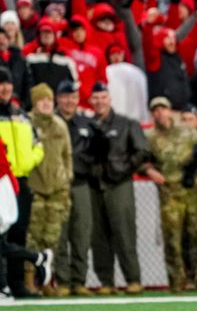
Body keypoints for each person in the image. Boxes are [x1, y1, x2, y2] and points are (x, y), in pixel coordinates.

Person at [144, 97, 197, 293]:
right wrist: (149, 170)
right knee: (172, 240)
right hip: (169, 192)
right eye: (155, 110)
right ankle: (177, 282)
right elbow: (140, 158)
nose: (160, 113)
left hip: (192, 190)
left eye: (163, 109)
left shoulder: (189, 132)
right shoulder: (149, 136)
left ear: (169, 110)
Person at [89, 82, 149, 295]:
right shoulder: (87, 125)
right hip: (95, 185)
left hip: (120, 184)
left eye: (103, 97)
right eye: (95, 98)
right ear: (90, 101)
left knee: (124, 233)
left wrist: (122, 168)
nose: (99, 102)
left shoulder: (127, 123)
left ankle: (133, 279)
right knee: (99, 236)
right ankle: (106, 281)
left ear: (109, 99)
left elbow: (142, 150)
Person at [0, 67, 44, 297]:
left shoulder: (21, 115)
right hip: (1, 181)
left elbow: (38, 146)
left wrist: (27, 163)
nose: (5, 88)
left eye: (7, 83)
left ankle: (17, 284)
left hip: (21, 182)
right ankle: (3, 284)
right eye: (1, 84)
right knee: (1, 238)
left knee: (18, 233)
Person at [26, 84, 72, 296]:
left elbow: (67, 156)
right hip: (34, 188)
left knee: (52, 238)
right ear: (34, 102)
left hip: (57, 190)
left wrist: (66, 179)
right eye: (41, 100)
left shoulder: (60, 125)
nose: (46, 103)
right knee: (32, 237)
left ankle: (46, 280)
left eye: (49, 100)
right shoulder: (26, 123)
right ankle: (29, 280)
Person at [54, 81, 97, 296]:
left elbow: (97, 151)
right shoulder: (51, 122)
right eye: (65, 96)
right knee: (59, 235)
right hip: (58, 186)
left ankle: (79, 280)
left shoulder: (87, 123)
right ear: (58, 99)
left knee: (82, 234)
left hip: (81, 183)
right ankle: (62, 281)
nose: (69, 101)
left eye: (72, 96)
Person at [0, 139, 53, 302]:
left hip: (2, 187)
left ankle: (4, 288)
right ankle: (37, 258)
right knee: (1, 244)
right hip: (5, 185)